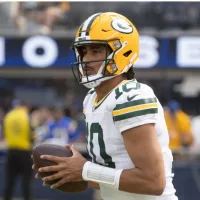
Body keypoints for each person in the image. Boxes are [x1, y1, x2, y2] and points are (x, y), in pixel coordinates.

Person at [33, 12, 178, 200]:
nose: (85, 60)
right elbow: (115, 176)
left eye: (96, 51)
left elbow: (153, 182)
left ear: (122, 52)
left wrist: (85, 170)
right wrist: (69, 172)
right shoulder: (91, 99)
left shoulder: (130, 96)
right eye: (83, 51)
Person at [3, 99, 33, 200]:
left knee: (9, 181)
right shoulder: (26, 116)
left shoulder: (8, 116)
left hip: (11, 151)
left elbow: (5, 133)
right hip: (24, 152)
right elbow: (31, 135)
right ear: (24, 106)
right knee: (26, 182)